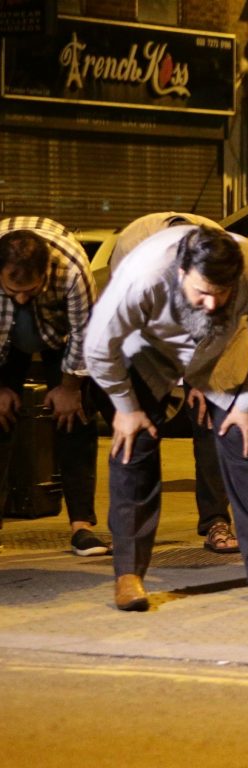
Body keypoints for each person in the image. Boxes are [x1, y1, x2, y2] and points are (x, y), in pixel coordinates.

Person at [84, 224, 248, 610]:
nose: (211, 302)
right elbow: (98, 347)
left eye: (221, 293)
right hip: (148, 345)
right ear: (181, 273)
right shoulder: (143, 276)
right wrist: (126, 408)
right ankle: (128, 573)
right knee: (135, 444)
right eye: (202, 292)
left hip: (222, 344)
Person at [109, 213, 248, 557]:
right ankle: (131, 531)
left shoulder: (221, 255)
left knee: (212, 416)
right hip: (143, 339)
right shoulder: (134, 257)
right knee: (142, 424)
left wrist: (201, 380)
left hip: (213, 335)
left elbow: (225, 324)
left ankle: (216, 520)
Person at [0, 218, 106, 557]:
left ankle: (82, 527)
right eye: (11, 290)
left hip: (60, 334)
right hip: (3, 339)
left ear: (46, 272)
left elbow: (84, 333)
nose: (19, 298)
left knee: (74, 419)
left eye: (29, 290)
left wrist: (70, 388)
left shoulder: (72, 269)